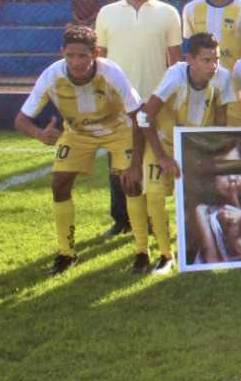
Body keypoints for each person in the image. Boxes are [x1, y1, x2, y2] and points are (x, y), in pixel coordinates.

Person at [14, 25, 144, 276]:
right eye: (70, 55)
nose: (75, 62)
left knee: (130, 183)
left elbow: (137, 116)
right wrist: (40, 134)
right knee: (59, 183)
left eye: (82, 55)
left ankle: (141, 252)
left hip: (118, 130)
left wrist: (136, 163)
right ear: (62, 52)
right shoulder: (52, 75)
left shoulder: (111, 72)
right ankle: (66, 254)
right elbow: (21, 119)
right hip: (77, 134)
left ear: (95, 53)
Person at [95, 0, 182, 240]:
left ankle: (158, 219)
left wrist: (167, 98)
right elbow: (101, 60)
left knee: (155, 161)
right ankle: (122, 220)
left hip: (155, 102)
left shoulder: (168, 13)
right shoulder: (107, 13)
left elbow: (176, 62)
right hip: (119, 103)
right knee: (119, 164)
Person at [139, 32, 236, 275]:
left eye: (216, 59)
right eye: (206, 60)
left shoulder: (223, 78)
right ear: (189, 59)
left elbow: (221, 117)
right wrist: (161, 156)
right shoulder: (175, 76)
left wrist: (216, 153)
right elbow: (145, 115)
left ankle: (194, 250)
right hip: (163, 144)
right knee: (154, 195)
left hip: (195, 146)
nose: (213, 65)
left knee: (197, 199)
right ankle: (165, 255)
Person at [181, 0, 241, 124]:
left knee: (240, 145)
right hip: (201, 90)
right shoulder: (191, 8)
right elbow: (188, 53)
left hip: (236, 90)